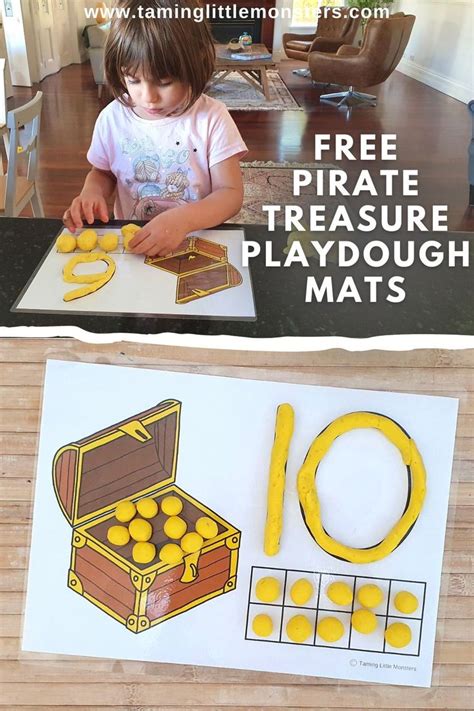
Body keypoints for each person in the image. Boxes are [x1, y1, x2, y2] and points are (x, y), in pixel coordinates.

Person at [63, 0, 247, 257]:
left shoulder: (212, 118)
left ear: (196, 63)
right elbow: (102, 172)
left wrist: (183, 220)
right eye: (133, 79)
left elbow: (230, 194)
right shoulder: (111, 119)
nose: (148, 97)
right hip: (134, 247)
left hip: (195, 242)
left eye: (164, 82)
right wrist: (91, 192)